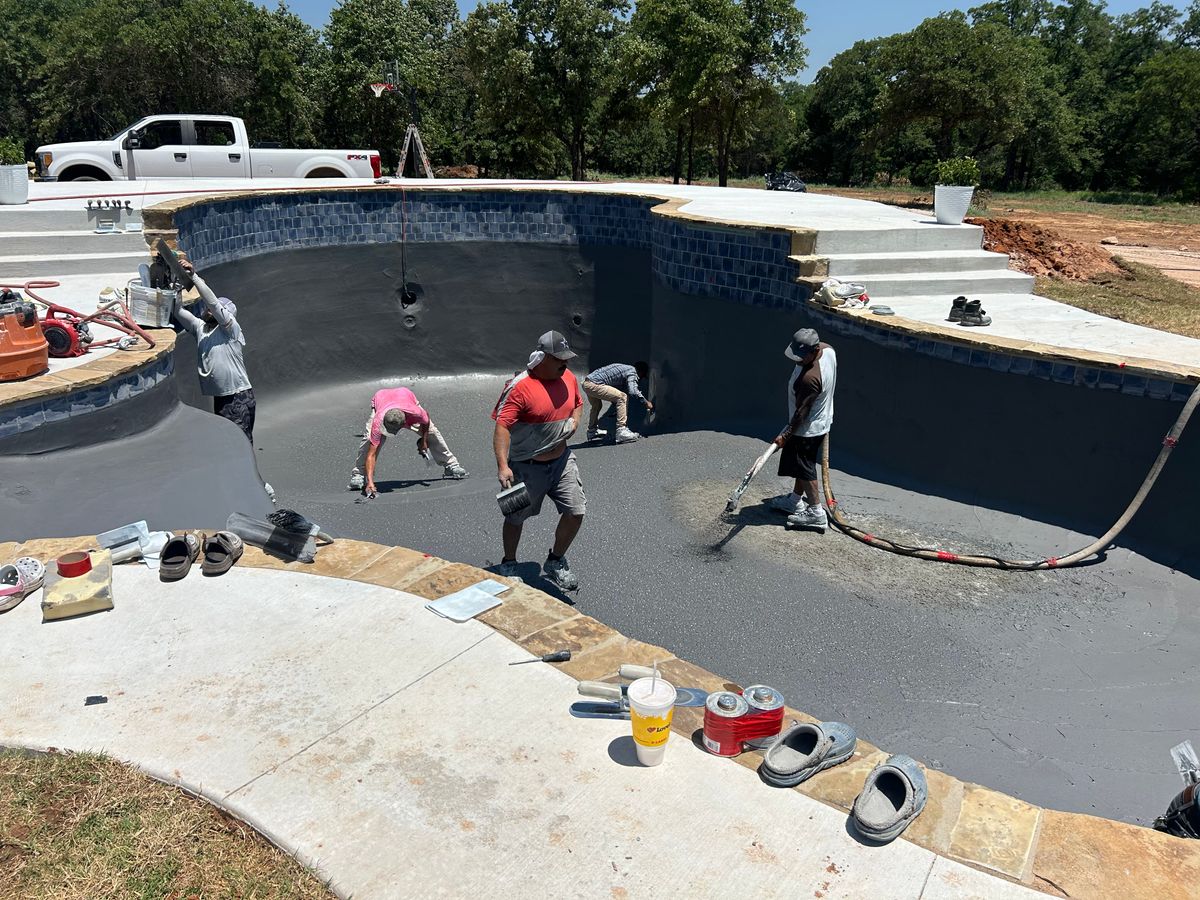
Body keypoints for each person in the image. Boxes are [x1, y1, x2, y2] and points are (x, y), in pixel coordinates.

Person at [491, 330, 586, 590]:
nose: (565, 363)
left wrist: (576, 421)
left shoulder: (568, 377)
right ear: (542, 358)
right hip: (524, 465)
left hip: (562, 461)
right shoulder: (519, 387)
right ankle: (509, 563)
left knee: (576, 511)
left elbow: (578, 402)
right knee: (514, 516)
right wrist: (503, 466)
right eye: (559, 358)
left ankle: (555, 561)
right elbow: (502, 426)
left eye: (567, 358)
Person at [174, 261, 255, 442]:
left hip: (237, 397)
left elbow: (213, 303)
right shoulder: (200, 328)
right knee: (229, 443)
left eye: (215, 310)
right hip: (222, 398)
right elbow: (177, 311)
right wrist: (176, 286)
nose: (209, 310)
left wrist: (194, 277)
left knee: (238, 445)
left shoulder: (230, 330)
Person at [769, 328, 838, 532]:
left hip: (806, 429)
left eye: (801, 356)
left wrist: (785, 436)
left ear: (814, 351)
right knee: (801, 466)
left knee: (805, 468)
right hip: (822, 421)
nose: (796, 360)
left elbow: (801, 414)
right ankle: (794, 501)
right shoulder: (828, 350)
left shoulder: (810, 379)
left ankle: (816, 513)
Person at [349, 387, 467, 496]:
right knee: (368, 439)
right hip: (382, 400)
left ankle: (451, 465)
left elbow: (426, 421)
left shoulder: (416, 413)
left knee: (432, 432)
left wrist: (424, 441)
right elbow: (371, 454)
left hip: (406, 398)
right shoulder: (378, 420)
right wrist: (370, 482)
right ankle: (359, 474)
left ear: (405, 423)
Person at [583, 361, 654, 443]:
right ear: (641, 372)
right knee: (622, 397)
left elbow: (612, 389)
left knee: (597, 405)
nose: (640, 379)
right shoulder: (633, 372)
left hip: (587, 383)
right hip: (594, 384)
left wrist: (616, 406)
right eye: (642, 377)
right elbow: (633, 391)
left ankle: (592, 431)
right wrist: (646, 402)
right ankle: (621, 431)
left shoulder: (624, 368)